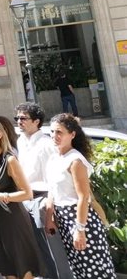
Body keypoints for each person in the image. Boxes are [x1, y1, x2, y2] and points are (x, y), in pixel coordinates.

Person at [45, 114, 116, 279]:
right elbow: (52, 190)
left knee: (96, 270)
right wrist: (49, 217)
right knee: (79, 270)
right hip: (63, 218)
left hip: (81, 219)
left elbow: (83, 197)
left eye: (59, 132)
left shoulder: (75, 160)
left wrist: (80, 229)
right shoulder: (54, 158)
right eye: (52, 131)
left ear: (72, 134)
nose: (55, 136)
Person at [0, 119, 42, 278]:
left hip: (13, 219)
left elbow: (27, 193)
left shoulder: (10, 160)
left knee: (22, 267)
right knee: (6, 269)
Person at [15, 103, 71, 279]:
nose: (19, 121)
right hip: (26, 198)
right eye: (17, 118)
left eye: (23, 118)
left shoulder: (46, 143)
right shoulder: (21, 141)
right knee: (37, 248)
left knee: (52, 248)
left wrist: (50, 207)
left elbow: (53, 178)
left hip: (44, 198)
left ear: (37, 121)